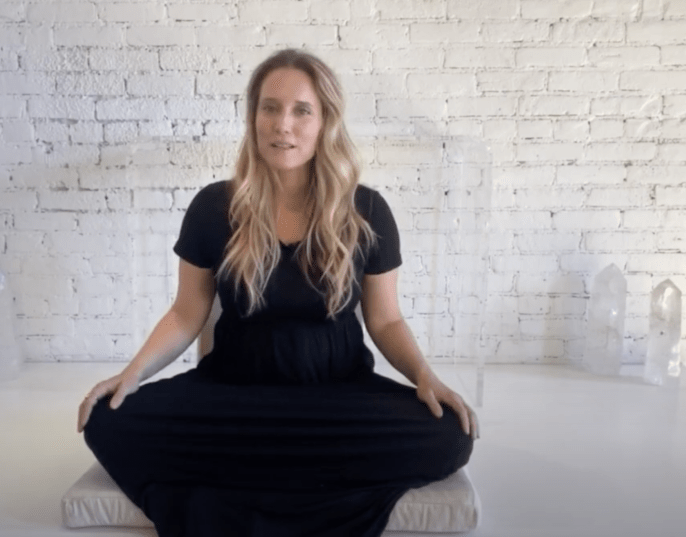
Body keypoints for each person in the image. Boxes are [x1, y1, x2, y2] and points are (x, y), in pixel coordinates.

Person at [77, 48, 476, 537]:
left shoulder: (367, 209)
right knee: (105, 421)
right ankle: (304, 481)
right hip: (235, 395)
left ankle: (252, 481)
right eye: (269, 107)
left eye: (301, 110)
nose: (282, 124)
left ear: (325, 120)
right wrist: (131, 374)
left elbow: (386, 321)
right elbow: (186, 313)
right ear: (253, 116)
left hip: (337, 397)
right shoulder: (213, 207)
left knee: (450, 438)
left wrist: (424, 376)